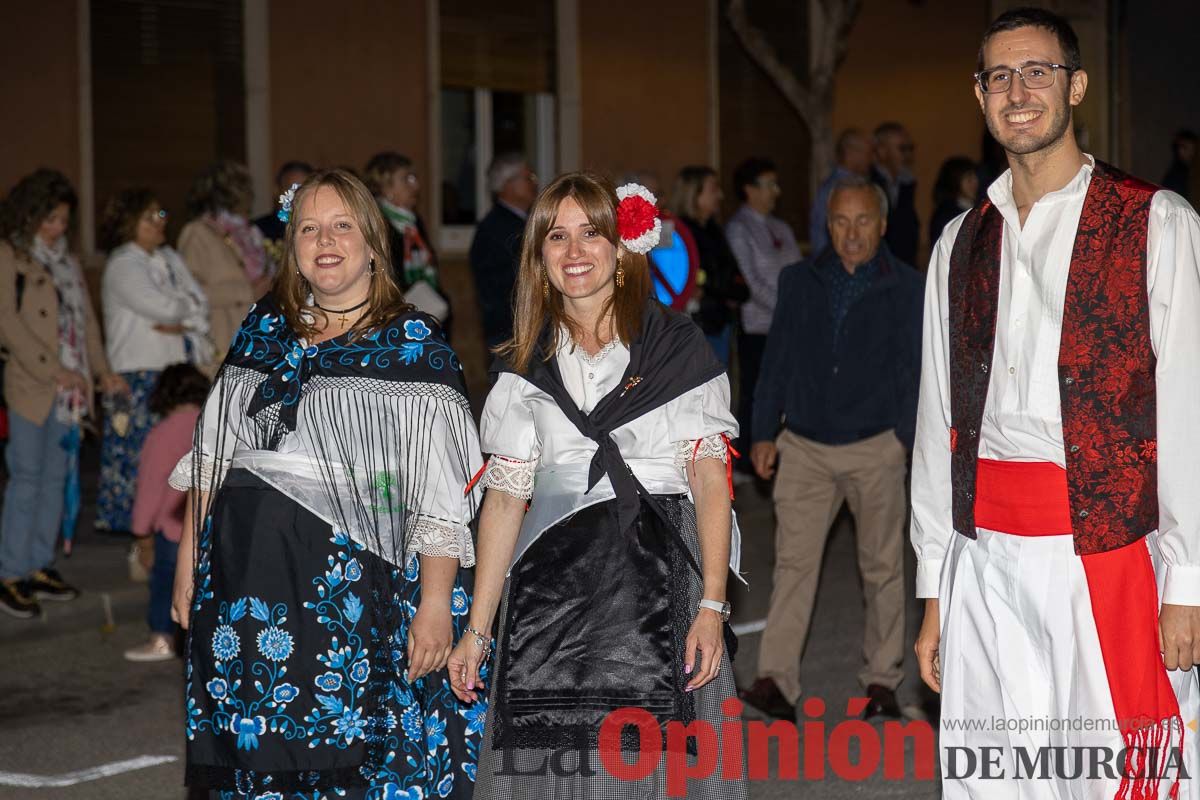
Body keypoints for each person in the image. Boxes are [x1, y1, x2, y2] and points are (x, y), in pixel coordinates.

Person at [912, 8, 1200, 798]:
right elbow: (941, 424)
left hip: (1103, 549)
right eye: (999, 76)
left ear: (1075, 86)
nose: (1018, 91)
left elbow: (1188, 414)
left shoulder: (1154, 223)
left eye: (1037, 70)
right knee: (996, 772)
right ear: (980, 96)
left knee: (1117, 768)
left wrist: (1188, 585)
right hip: (985, 557)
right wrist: (935, 592)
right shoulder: (958, 243)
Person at [170, 169, 485, 798]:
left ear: (373, 242)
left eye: (343, 225)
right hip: (245, 591)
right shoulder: (263, 331)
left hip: (347, 597)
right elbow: (212, 455)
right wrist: (188, 563)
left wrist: (431, 602)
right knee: (253, 747)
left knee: (347, 754)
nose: (325, 240)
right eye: (309, 228)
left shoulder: (412, 345)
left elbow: (435, 491)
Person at [447, 173, 747, 798]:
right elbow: (505, 498)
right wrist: (477, 628)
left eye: (591, 233)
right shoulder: (524, 363)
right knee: (557, 769)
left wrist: (713, 606)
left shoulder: (674, 348)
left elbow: (710, 481)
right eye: (557, 236)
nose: (575, 250)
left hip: (660, 588)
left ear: (622, 246)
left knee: (660, 767)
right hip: (549, 599)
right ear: (539, 255)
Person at [740, 175, 923, 722]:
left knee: (883, 568)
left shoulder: (909, 287)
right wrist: (764, 432)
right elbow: (776, 362)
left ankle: (882, 682)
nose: (851, 233)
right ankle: (776, 681)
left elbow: (914, 373)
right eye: (840, 222)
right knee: (793, 564)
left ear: (882, 225)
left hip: (876, 446)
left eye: (862, 221)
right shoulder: (800, 282)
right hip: (806, 448)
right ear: (828, 225)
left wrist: (906, 442)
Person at [0, 169, 126, 618]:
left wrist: (102, 373)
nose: (56, 228)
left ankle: (38, 564)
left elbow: (86, 322)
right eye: (49, 219)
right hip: (33, 385)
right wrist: (55, 370)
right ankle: (11, 572)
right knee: (27, 478)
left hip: (70, 391)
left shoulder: (67, 262)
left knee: (57, 478)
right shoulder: (10, 256)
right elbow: (8, 325)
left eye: (62, 221)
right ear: (30, 214)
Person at [96, 188, 212, 536]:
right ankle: (140, 539)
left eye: (161, 215)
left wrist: (185, 318)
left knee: (175, 459)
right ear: (129, 222)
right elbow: (165, 307)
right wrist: (184, 311)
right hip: (140, 372)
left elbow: (199, 303)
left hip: (172, 373)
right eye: (150, 217)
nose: (160, 223)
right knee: (142, 461)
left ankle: (167, 531)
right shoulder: (123, 264)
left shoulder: (169, 258)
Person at [125, 363, 210, 662]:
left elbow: (150, 488)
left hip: (174, 529)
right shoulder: (212, 422)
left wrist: (141, 532)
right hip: (210, 524)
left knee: (166, 583)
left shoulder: (163, 433)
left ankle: (162, 639)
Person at [726, 157, 801, 473]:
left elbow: (800, 274)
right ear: (749, 190)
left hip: (788, 325)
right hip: (758, 326)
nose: (776, 191)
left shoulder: (780, 226)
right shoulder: (739, 228)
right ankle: (748, 458)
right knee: (757, 391)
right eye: (769, 184)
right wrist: (787, 311)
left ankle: (784, 451)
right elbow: (751, 282)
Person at [178, 160, 271, 373]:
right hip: (220, 345)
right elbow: (190, 295)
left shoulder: (244, 234)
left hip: (252, 341)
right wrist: (247, 291)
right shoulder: (196, 234)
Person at [669, 165, 748, 365]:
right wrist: (722, 288)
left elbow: (737, 283)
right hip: (694, 323)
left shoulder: (715, 231)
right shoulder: (677, 234)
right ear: (693, 193)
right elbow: (684, 278)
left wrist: (715, 287)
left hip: (720, 323)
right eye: (713, 189)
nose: (720, 195)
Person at [363, 151, 449, 321]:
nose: (415, 185)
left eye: (414, 178)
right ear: (385, 187)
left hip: (422, 309)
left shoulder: (413, 222)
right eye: (406, 179)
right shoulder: (376, 223)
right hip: (392, 315)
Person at [468, 153, 537, 350]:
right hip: (509, 330)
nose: (534, 182)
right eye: (528, 177)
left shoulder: (524, 222)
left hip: (526, 326)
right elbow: (495, 286)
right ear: (508, 184)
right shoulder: (493, 228)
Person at [809, 128, 872, 254]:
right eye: (867, 153)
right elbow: (819, 236)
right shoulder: (831, 189)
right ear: (851, 153)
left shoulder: (862, 185)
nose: (871, 159)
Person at [871, 122, 920, 266]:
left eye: (910, 148)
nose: (908, 155)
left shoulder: (907, 183)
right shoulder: (868, 184)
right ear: (882, 151)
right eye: (902, 149)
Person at [253, 160, 314, 253]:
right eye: (291, 190)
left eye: (304, 191)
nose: (297, 196)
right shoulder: (256, 231)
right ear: (277, 190)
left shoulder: (318, 231)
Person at [928, 156, 978, 246]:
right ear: (955, 180)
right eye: (969, 178)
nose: (975, 181)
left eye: (975, 176)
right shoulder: (946, 215)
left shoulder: (980, 208)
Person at [1162, 129, 1197, 202]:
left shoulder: (1194, 172)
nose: (1181, 151)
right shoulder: (1175, 175)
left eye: (1186, 147)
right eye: (1181, 147)